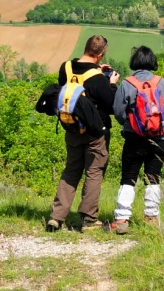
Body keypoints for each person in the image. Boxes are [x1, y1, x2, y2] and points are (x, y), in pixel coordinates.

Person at [47, 35, 120, 232]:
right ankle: (89, 219)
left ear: (86, 48)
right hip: (95, 132)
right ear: (101, 54)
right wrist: (111, 83)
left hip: (71, 127)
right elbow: (112, 105)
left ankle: (56, 217)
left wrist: (97, 71)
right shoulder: (97, 79)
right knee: (94, 172)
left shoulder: (66, 68)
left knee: (71, 170)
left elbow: (71, 88)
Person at [109, 46, 164, 234]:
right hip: (160, 139)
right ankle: (151, 218)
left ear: (135, 62)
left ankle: (122, 219)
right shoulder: (163, 83)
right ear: (152, 61)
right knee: (153, 178)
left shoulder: (127, 84)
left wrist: (129, 123)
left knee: (128, 178)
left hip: (134, 138)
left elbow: (118, 112)